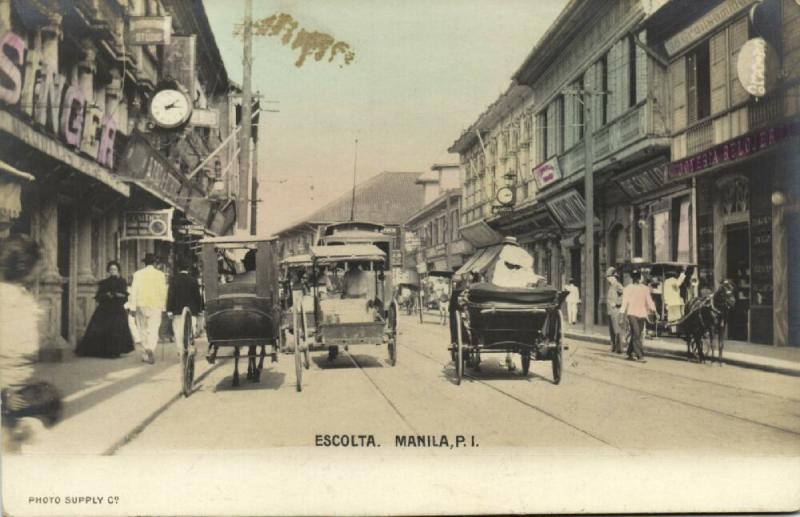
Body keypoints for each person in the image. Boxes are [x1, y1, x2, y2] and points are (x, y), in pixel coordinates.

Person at [0, 235, 59, 451]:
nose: (43, 268)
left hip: (18, 397)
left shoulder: (21, 296)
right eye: (40, 262)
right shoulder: (7, 301)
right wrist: (4, 397)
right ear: (25, 265)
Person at [75, 260, 134, 358]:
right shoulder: (104, 282)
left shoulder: (122, 282)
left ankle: (115, 351)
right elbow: (98, 296)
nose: (112, 271)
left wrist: (116, 295)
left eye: (114, 269)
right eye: (111, 269)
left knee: (116, 329)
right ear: (108, 271)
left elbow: (124, 295)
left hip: (117, 309)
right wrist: (106, 295)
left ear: (118, 270)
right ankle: (105, 351)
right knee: (104, 328)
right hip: (105, 309)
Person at [129, 253, 168, 364]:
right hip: (155, 304)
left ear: (144, 263)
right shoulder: (160, 275)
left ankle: (145, 351)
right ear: (155, 263)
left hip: (141, 304)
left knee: (142, 329)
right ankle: (151, 348)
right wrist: (164, 307)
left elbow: (134, 290)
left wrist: (132, 307)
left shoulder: (137, 274)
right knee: (153, 329)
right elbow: (163, 292)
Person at [166, 258, 204, 359]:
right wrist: (200, 309)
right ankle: (189, 347)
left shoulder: (174, 280)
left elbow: (170, 295)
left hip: (177, 310)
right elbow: (198, 296)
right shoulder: (193, 280)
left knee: (178, 331)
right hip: (192, 310)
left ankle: (181, 350)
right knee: (191, 329)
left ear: (178, 268)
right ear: (188, 268)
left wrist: (169, 309)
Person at [620, 268, 656, 362]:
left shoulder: (645, 289)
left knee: (637, 334)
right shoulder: (628, 288)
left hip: (642, 314)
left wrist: (654, 310)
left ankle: (629, 352)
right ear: (632, 278)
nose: (636, 279)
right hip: (632, 314)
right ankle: (640, 356)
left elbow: (649, 301)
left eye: (637, 277)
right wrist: (621, 316)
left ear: (640, 277)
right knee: (636, 333)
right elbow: (624, 303)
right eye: (634, 277)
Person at [605, 267, 625, 353]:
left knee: (617, 329)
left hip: (615, 311)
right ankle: (613, 347)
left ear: (613, 277)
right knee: (612, 330)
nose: (608, 279)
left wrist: (617, 303)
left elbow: (624, 295)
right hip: (610, 311)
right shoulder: (611, 286)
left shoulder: (617, 285)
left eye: (609, 277)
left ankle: (619, 348)